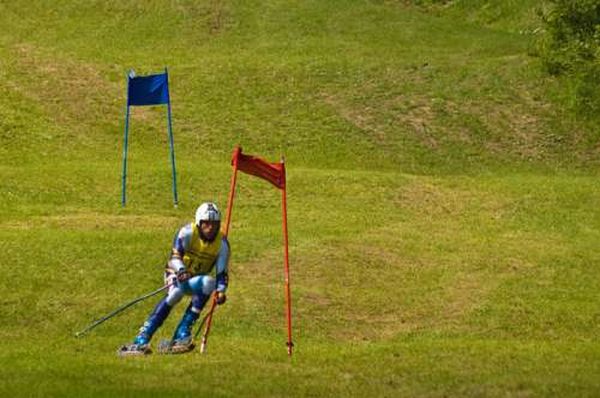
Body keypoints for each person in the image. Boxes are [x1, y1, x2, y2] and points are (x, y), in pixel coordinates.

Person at [119, 202, 229, 356]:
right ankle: (142, 338)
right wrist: (182, 270)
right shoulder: (187, 233)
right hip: (176, 273)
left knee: (209, 283)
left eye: (214, 224)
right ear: (199, 222)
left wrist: (221, 291)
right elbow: (174, 258)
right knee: (176, 292)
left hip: (196, 279)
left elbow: (222, 273)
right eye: (206, 224)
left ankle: (182, 331)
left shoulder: (222, 244)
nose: (210, 228)